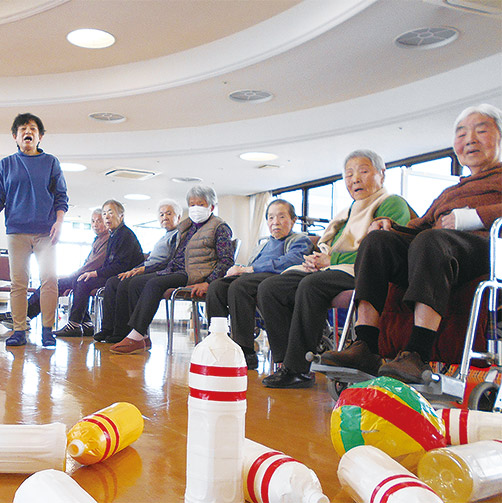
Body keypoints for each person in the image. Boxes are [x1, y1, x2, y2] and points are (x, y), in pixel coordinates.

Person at [320, 104, 502, 383]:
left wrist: (471, 217)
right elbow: (424, 223)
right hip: (440, 250)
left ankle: (417, 353)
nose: (470, 139)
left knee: (432, 240)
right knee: (377, 241)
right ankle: (366, 345)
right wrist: (389, 226)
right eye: (462, 133)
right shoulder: (450, 191)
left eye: (481, 130)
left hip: (486, 250)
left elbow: (435, 232)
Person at [258, 149, 413, 388]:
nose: (355, 179)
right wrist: (317, 258)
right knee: (272, 287)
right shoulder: (348, 212)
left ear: (382, 174)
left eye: (363, 171)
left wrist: (331, 259)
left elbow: (382, 249)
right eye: (349, 175)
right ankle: (284, 362)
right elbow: (330, 249)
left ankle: (298, 368)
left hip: (364, 272)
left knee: (312, 285)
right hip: (334, 269)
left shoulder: (392, 204)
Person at [110, 185, 235, 355]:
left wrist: (208, 281)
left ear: (211, 207)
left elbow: (226, 260)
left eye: (200, 204)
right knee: (135, 283)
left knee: (154, 284)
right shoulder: (187, 227)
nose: (195, 208)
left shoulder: (219, 227)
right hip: (174, 269)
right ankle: (141, 335)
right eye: (192, 204)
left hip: (193, 274)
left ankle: (136, 335)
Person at [0, 113, 69, 347]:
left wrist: (59, 222)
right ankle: (19, 329)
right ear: (15, 136)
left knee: (49, 279)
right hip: (17, 231)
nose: (27, 132)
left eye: (32, 129)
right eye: (22, 129)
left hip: (45, 232)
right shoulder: (6, 164)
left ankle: (48, 330)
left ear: (40, 136)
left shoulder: (51, 162)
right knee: (18, 282)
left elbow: (61, 196)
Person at [206, 199, 313, 369]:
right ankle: (218, 345)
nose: (275, 222)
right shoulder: (263, 245)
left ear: (293, 220)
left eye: (281, 217)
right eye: (270, 218)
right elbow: (249, 267)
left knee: (239, 286)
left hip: (276, 278)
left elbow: (291, 261)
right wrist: (239, 269)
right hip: (253, 276)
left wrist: (249, 269)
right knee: (217, 287)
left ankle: (245, 351)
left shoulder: (300, 239)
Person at [0, 208, 109, 333]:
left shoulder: (107, 239)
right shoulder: (98, 239)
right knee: (58, 282)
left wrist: (71, 275)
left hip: (96, 277)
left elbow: (94, 264)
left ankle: (23, 315)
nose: (95, 225)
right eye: (93, 221)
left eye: (99, 221)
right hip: (87, 276)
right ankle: (85, 322)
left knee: (54, 283)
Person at [94, 199, 181, 343]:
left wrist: (142, 270)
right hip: (147, 267)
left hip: (159, 271)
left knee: (126, 283)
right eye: (161, 214)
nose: (164, 217)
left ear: (178, 217)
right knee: (112, 282)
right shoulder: (164, 236)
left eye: (169, 213)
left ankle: (122, 331)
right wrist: (136, 269)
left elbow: (168, 261)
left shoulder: (178, 236)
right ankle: (108, 328)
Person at [54, 199, 144, 337]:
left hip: (125, 276)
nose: (107, 216)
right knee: (82, 280)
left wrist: (95, 273)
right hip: (114, 275)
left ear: (121, 216)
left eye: (110, 213)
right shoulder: (114, 235)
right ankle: (90, 325)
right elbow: (110, 265)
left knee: (84, 281)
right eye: (104, 213)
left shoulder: (125, 235)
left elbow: (120, 266)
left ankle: (76, 324)